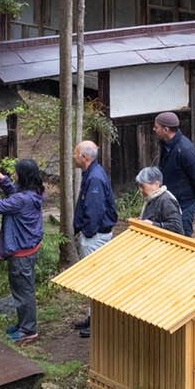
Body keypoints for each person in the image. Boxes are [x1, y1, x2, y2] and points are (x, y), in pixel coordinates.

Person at [0, 159, 45, 345]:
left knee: (23, 292)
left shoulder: (21, 199)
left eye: (16, 173)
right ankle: (23, 325)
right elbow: (15, 197)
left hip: (20, 253)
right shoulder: (35, 192)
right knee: (23, 290)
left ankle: (28, 331)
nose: (14, 175)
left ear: (23, 176)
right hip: (28, 249)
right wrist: (3, 181)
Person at [71, 141, 117, 338]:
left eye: (75, 153)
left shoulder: (95, 177)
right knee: (93, 279)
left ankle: (100, 320)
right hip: (94, 234)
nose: (73, 157)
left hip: (95, 236)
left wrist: (88, 233)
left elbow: (95, 209)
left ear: (84, 157)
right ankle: (93, 316)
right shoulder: (91, 173)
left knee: (97, 279)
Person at [152, 111, 195, 235]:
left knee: (183, 236)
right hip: (170, 200)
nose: (154, 129)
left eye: (156, 127)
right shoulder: (166, 144)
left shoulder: (185, 150)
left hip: (185, 202)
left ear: (166, 129)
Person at [136, 167, 187, 234]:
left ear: (156, 184)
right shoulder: (151, 199)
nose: (140, 190)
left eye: (142, 186)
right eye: (139, 186)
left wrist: (153, 225)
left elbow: (177, 227)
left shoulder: (166, 200)